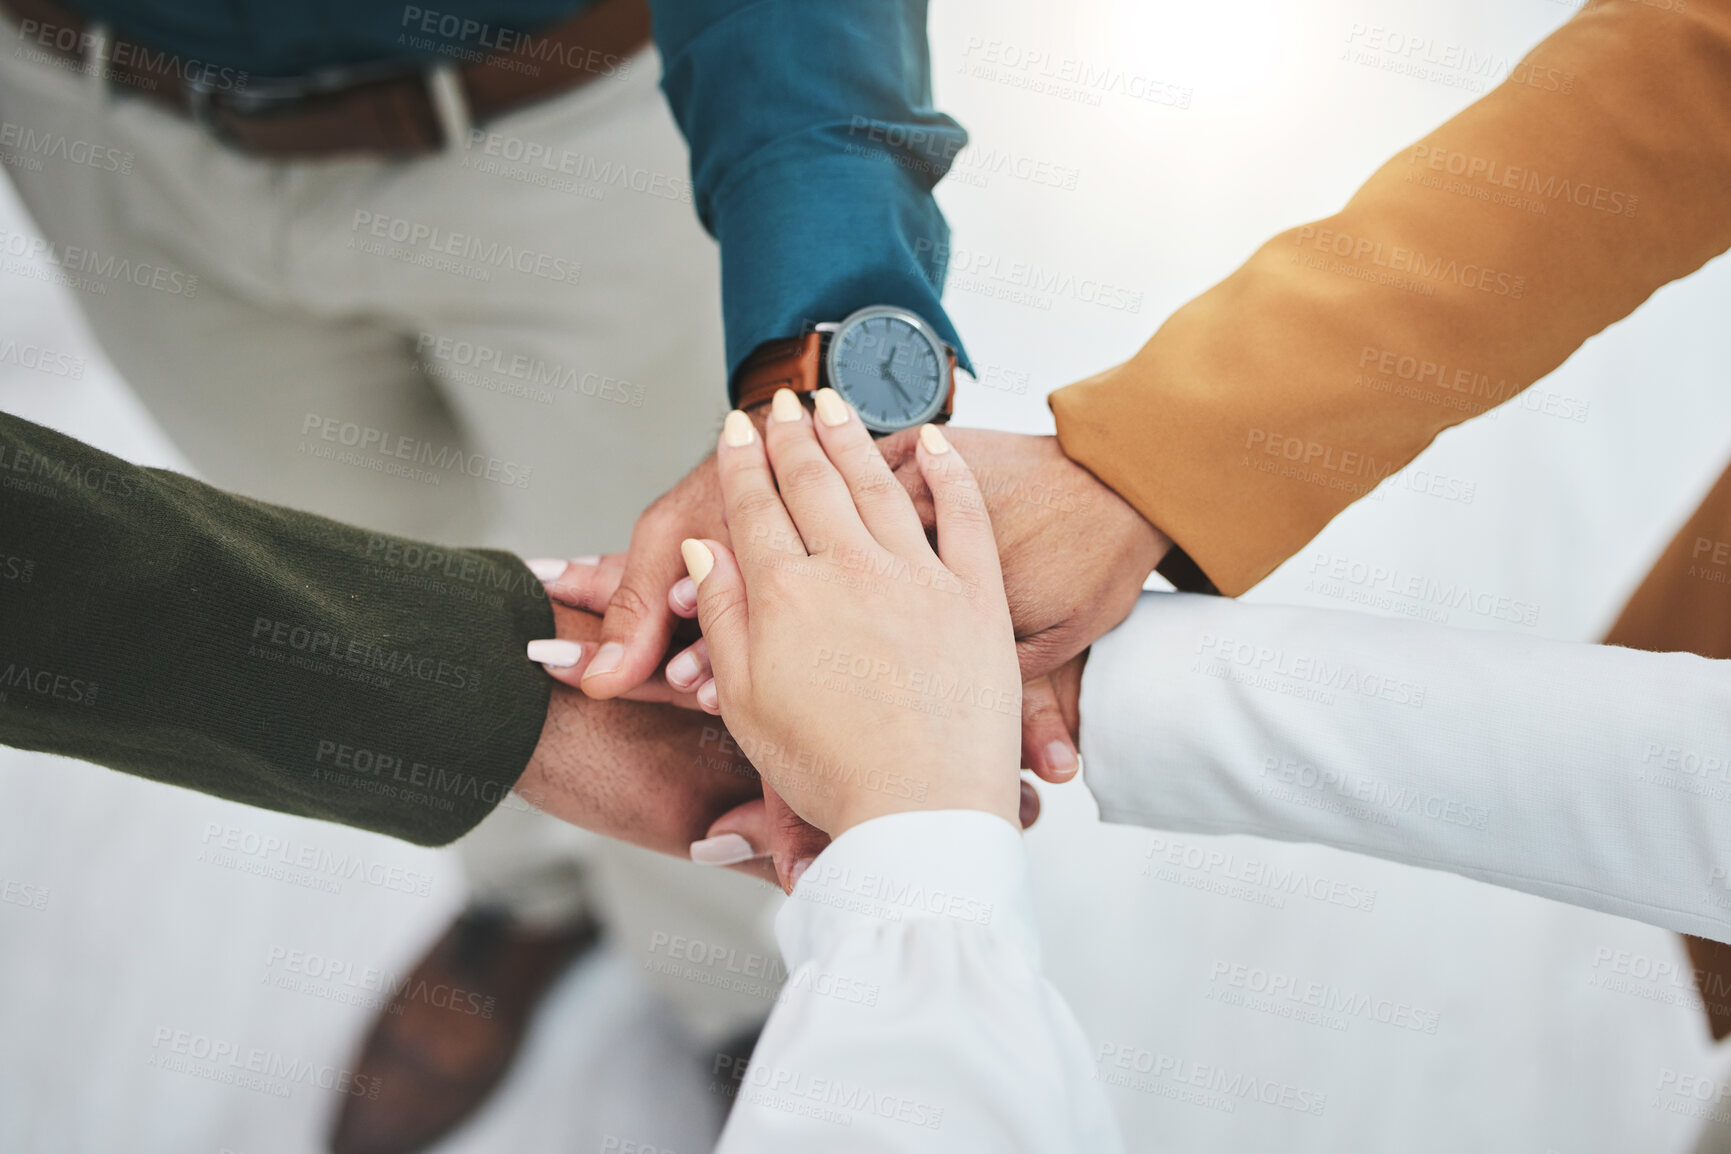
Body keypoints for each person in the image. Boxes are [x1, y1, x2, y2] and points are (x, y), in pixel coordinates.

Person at [0, 0, 978, 1142]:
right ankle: (522, 895)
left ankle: (727, 983)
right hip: (101, 126)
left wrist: (818, 330)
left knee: (682, 636)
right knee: (342, 596)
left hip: (572, 113)